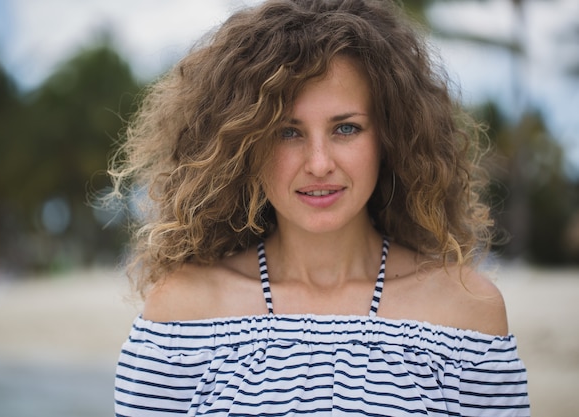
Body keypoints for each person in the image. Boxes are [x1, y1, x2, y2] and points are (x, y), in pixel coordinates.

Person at [112, 0, 530, 415]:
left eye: (345, 128)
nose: (318, 163)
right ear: (243, 145)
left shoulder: (467, 314)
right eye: (287, 132)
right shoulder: (181, 316)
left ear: (390, 137)